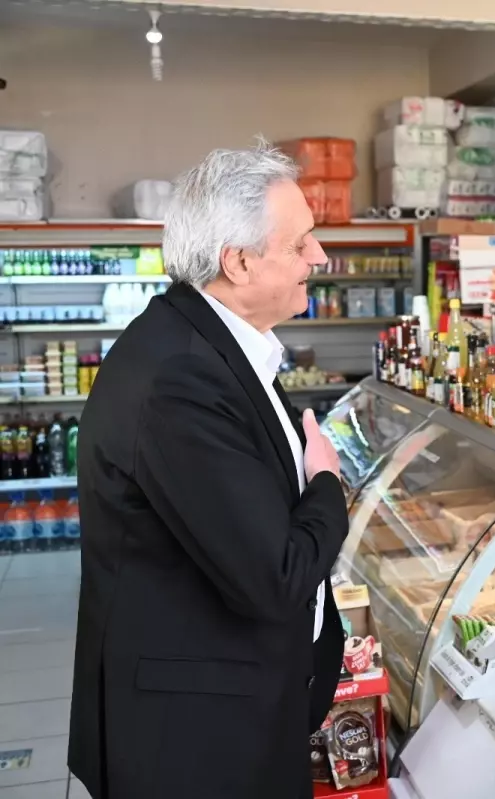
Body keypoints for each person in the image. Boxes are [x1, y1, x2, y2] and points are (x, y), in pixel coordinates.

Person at [69, 143, 348, 799]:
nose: (321, 257)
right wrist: (328, 484)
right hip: (196, 742)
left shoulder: (213, 347)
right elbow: (274, 575)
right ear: (239, 260)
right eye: (302, 241)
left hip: (232, 710)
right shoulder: (180, 378)